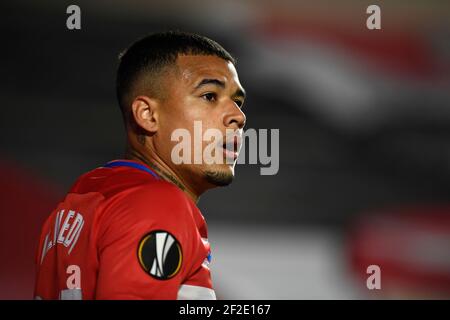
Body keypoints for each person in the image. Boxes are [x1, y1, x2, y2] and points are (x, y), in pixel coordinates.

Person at [34, 31, 246, 300]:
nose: (238, 117)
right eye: (209, 96)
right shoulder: (157, 203)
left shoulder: (79, 202)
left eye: (237, 102)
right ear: (147, 115)